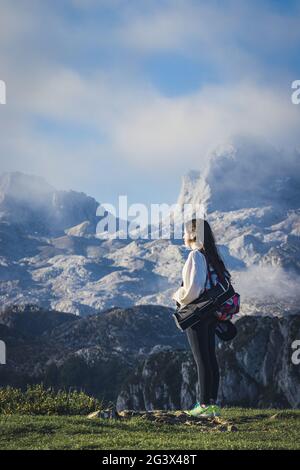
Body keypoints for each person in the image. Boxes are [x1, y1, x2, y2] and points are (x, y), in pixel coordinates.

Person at [172, 218, 231, 418]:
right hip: (211, 313)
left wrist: (178, 295)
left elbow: (193, 290)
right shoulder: (212, 255)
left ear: (193, 234)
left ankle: (203, 405)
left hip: (197, 313)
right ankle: (212, 403)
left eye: (185, 231)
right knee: (210, 358)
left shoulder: (196, 255)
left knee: (201, 360)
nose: (183, 235)